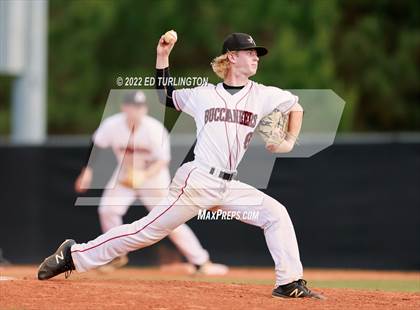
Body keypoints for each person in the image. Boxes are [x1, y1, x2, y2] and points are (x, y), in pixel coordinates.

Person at [38, 32, 323, 299]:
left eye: (257, 54)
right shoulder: (203, 94)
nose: (256, 57)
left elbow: (294, 106)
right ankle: (73, 255)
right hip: (198, 180)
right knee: (144, 232)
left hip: (228, 185)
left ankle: (288, 283)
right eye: (250, 52)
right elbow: (165, 95)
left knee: (276, 214)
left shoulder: (263, 94)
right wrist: (163, 56)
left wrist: (287, 141)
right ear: (231, 57)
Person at [74, 91, 228, 275]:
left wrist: (143, 175)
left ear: (145, 109)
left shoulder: (154, 129)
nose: (137, 110)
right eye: (133, 106)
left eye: (141, 107)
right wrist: (87, 170)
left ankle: (201, 262)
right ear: (125, 108)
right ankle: (117, 253)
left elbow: (163, 161)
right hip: (125, 175)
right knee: (108, 210)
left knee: (171, 221)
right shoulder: (112, 125)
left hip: (153, 179)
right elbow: (96, 143)